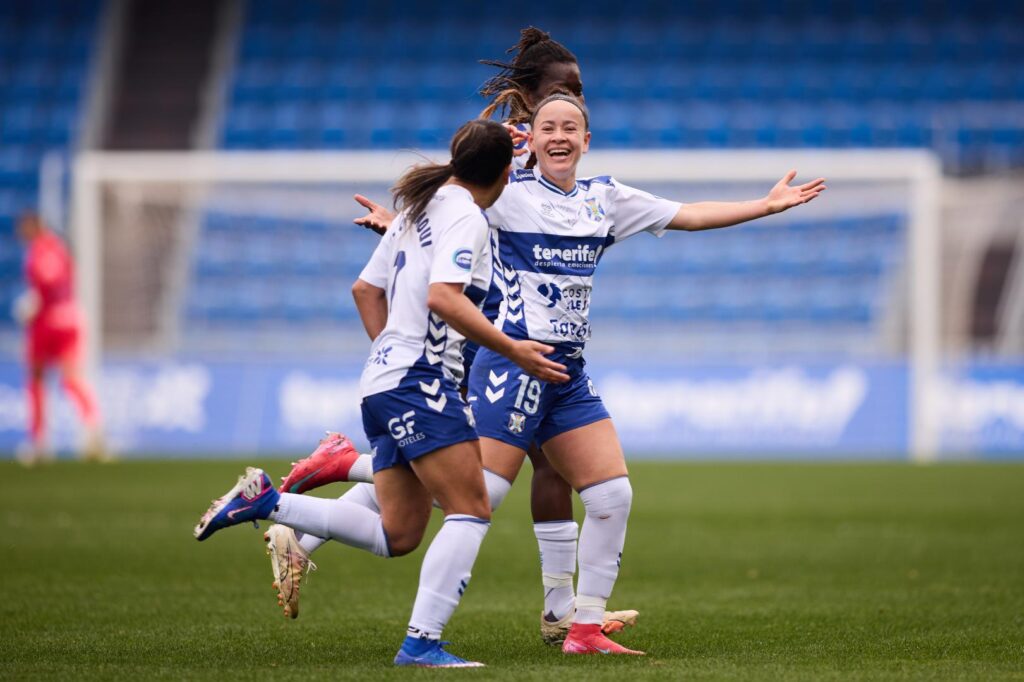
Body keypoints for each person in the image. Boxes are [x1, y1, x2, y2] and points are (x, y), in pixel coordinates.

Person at [265, 27, 639, 646]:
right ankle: (343, 475)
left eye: (577, 92)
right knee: (469, 488)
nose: (574, 97)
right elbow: (452, 213)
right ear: (531, 95)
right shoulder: (508, 155)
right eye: (564, 89)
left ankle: (561, 612)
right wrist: (403, 230)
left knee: (541, 471)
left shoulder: (543, 153)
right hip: (493, 342)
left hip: (523, 345)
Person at [194, 119, 569, 668]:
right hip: (418, 382)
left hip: (384, 382)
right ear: (507, 173)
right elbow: (444, 299)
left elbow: (364, 289)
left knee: (399, 533)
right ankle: (422, 643)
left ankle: (270, 502)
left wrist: (392, 354)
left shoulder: (424, 206)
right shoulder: (466, 216)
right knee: (471, 508)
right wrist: (510, 350)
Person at [14, 212, 105, 465]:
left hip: (48, 322)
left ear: (34, 225)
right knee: (71, 377)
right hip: (70, 318)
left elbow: (47, 286)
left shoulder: (40, 251)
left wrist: (32, 305)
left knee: (37, 378)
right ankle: (92, 426)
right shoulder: (60, 247)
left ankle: (39, 442)